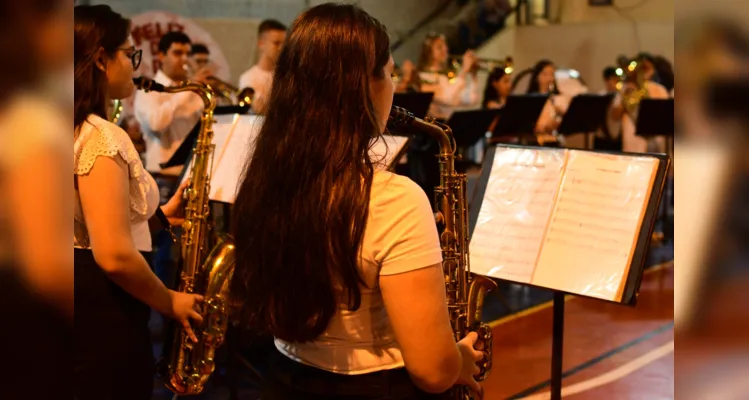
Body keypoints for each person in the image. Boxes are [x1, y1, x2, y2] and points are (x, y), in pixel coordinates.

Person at [230, 3, 485, 400]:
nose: (395, 85)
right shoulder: (394, 199)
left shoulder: (266, 178)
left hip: (283, 377)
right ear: (362, 85)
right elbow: (434, 371)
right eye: (389, 71)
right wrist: (462, 359)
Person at [73, 5, 204, 399]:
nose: (135, 64)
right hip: (102, 310)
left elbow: (89, 228)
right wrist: (170, 302)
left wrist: (159, 219)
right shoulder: (101, 136)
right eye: (130, 54)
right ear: (100, 58)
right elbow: (111, 254)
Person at [416, 32, 480, 120]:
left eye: (445, 46)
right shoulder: (423, 77)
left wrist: (474, 75)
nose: (445, 49)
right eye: (439, 47)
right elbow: (446, 99)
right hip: (438, 125)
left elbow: (469, 100)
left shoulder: (443, 76)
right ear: (429, 53)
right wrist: (464, 70)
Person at [238, 19, 287, 114]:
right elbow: (258, 110)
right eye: (276, 43)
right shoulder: (248, 78)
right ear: (261, 43)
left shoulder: (286, 75)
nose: (281, 48)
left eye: (284, 43)